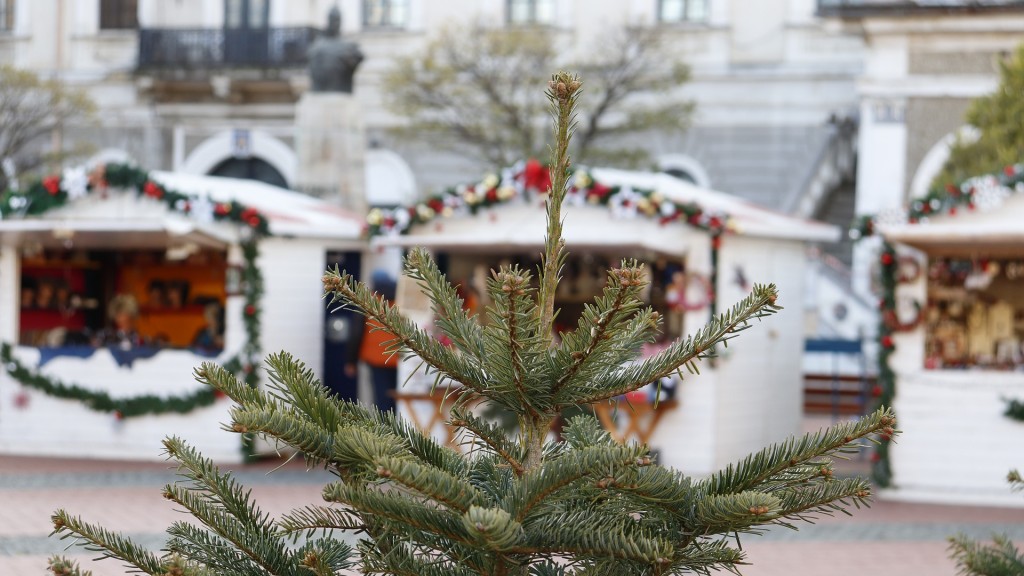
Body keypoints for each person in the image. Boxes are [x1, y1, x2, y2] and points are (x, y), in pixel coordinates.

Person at [346, 272, 399, 413]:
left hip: (376, 358)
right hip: (398, 358)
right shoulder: (399, 300)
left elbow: (356, 332)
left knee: (381, 400)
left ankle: (385, 431)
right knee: (397, 398)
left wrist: (351, 361)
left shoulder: (368, 301)